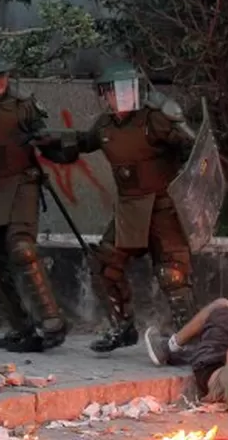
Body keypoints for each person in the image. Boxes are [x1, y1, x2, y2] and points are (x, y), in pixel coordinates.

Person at [36, 62, 198, 353]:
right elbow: (81, 143)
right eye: (115, 92)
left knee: (173, 274)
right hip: (129, 211)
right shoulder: (105, 126)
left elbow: (193, 147)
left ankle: (189, 339)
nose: (121, 97)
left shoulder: (156, 119)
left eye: (127, 90)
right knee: (105, 264)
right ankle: (122, 327)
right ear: (105, 94)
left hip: (164, 208)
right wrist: (47, 141)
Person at [0, 51, 72, 353]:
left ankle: (53, 320)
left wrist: (56, 145)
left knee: (22, 247)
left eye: (3, 76)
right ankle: (20, 328)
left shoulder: (23, 105)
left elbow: (49, 143)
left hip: (22, 181)